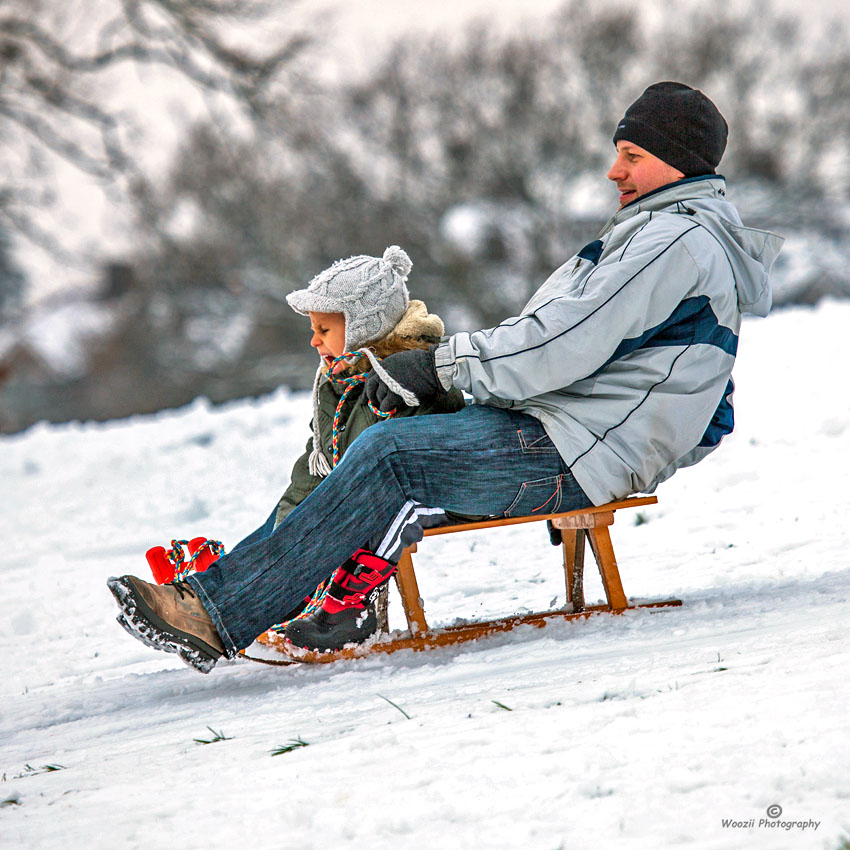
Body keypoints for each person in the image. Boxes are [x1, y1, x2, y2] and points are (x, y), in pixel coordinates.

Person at [107, 81, 783, 673]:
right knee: (381, 435)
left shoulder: (673, 242)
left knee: (393, 456)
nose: (614, 171)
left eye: (632, 156)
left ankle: (218, 613)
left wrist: (438, 363)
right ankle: (239, 591)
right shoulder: (660, 236)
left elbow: (560, 343)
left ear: (677, 162)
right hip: (570, 437)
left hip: (572, 450)